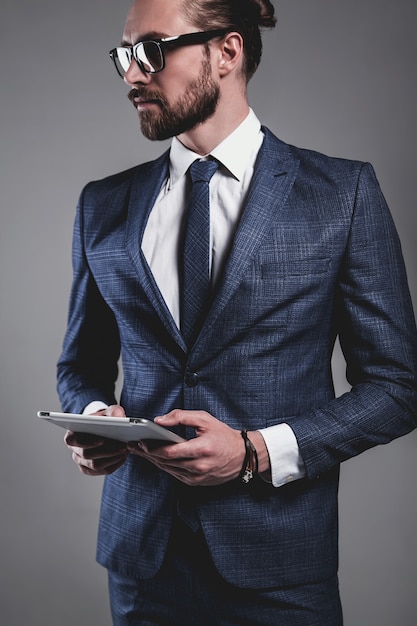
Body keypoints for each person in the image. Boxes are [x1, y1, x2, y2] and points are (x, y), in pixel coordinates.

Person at [58, 0, 417, 624]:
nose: (131, 74)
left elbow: (398, 387)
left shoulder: (341, 194)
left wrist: (254, 451)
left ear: (227, 52)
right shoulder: (103, 204)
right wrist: (94, 420)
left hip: (278, 565)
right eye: (123, 55)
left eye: (151, 51)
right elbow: (82, 364)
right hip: (143, 563)